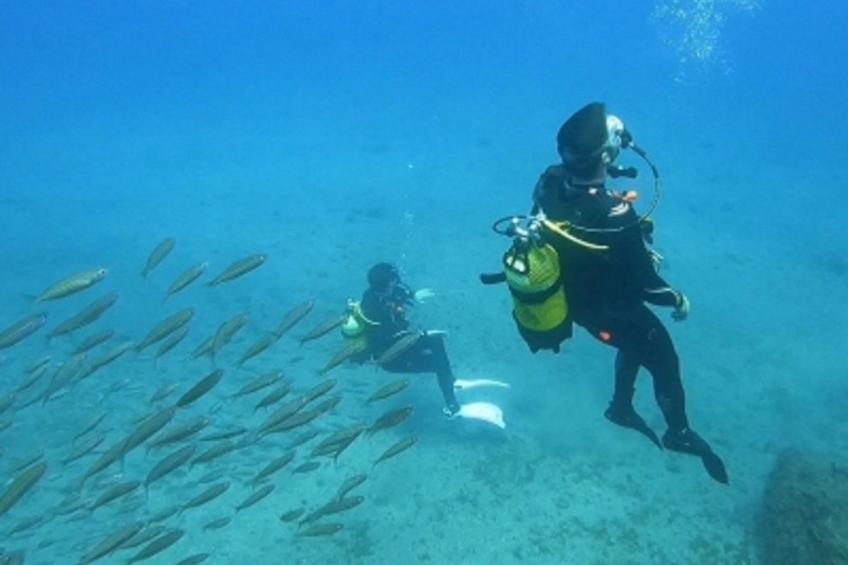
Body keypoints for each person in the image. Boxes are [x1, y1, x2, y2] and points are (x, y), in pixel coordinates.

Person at [528, 102, 727, 484]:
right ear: (605, 154)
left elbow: (572, 203)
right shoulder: (617, 216)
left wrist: (606, 181)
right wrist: (678, 299)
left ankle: (620, 408)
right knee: (664, 358)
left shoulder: (550, 179)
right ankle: (678, 432)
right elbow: (648, 286)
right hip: (612, 311)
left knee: (634, 343)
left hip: (577, 303)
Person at [355, 262, 462, 416]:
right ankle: (452, 405)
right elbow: (390, 339)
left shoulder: (377, 293)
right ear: (387, 284)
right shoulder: (375, 310)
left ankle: (449, 380)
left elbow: (398, 293)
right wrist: (423, 334)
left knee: (436, 343)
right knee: (438, 363)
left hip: (402, 345)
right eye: (393, 280)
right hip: (391, 358)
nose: (397, 282)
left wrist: (412, 295)